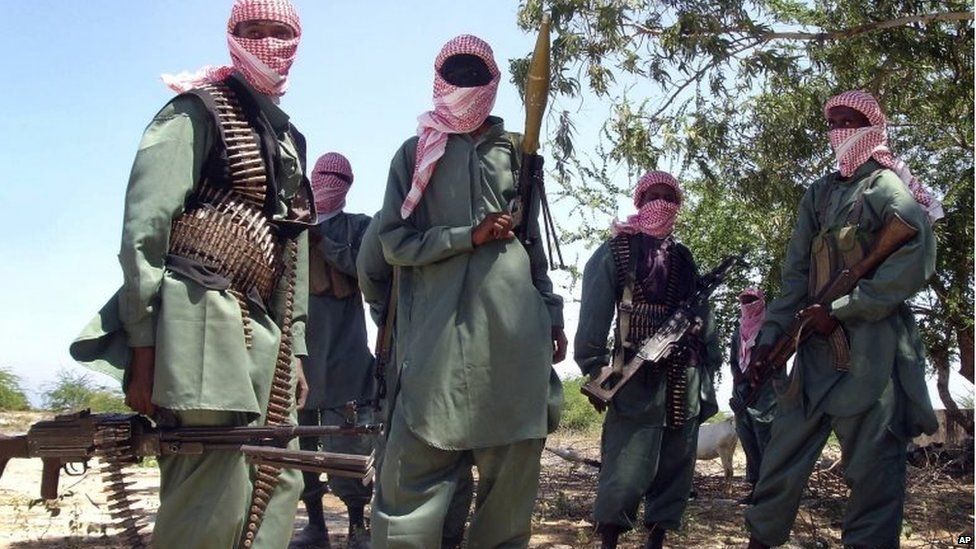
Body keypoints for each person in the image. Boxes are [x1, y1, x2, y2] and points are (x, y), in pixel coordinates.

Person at [69, 1, 312, 547]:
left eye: (280, 32)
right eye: (254, 30)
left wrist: (294, 348)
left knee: (277, 481)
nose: (267, 42)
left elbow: (293, 254)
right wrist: (145, 349)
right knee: (212, 488)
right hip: (198, 316)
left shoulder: (287, 138)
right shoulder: (196, 111)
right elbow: (144, 233)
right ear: (232, 36)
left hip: (261, 324)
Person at [369, 35, 567, 548]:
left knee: (507, 501)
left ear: (494, 84)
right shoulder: (415, 155)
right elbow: (393, 242)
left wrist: (552, 316)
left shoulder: (517, 155)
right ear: (438, 81)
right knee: (407, 504)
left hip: (513, 341)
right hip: (435, 346)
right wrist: (466, 236)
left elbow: (532, 249)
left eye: (475, 75)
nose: (464, 85)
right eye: (453, 74)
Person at [744, 90, 941, 549]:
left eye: (847, 120)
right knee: (779, 461)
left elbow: (913, 260)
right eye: (831, 122)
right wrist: (771, 340)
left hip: (872, 356)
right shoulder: (821, 192)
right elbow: (795, 275)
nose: (837, 131)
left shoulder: (886, 187)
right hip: (813, 356)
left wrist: (843, 310)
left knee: (874, 476)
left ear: (872, 126)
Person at [575, 171, 721, 549]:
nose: (661, 204)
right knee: (624, 465)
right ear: (639, 201)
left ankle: (657, 536)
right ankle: (609, 536)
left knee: (676, 460)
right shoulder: (616, 251)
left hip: (682, 372)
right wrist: (594, 369)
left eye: (669, 197)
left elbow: (704, 317)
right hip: (631, 373)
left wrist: (708, 365)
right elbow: (593, 315)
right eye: (653, 196)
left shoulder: (684, 257)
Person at [357, 212, 475, 549]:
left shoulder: (472, 215)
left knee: (443, 449)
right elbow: (370, 274)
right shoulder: (399, 215)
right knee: (421, 449)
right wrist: (392, 320)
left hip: (444, 348)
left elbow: (369, 277)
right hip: (420, 347)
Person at [290, 153, 374, 549]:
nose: (328, 183)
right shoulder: (291, 227)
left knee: (349, 444)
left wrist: (327, 244)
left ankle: (358, 523)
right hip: (302, 357)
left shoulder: (358, 227)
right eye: (322, 176)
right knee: (301, 443)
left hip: (347, 355)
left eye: (336, 177)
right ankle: (316, 525)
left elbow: (369, 270)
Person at [728, 287, 776, 505]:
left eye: (752, 300)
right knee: (746, 436)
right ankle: (756, 486)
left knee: (764, 436)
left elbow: (774, 359)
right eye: (744, 300)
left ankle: (770, 489)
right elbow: (733, 360)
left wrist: (754, 374)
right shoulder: (737, 332)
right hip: (741, 392)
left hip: (764, 391)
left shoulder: (769, 328)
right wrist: (738, 375)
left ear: (761, 302)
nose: (748, 304)